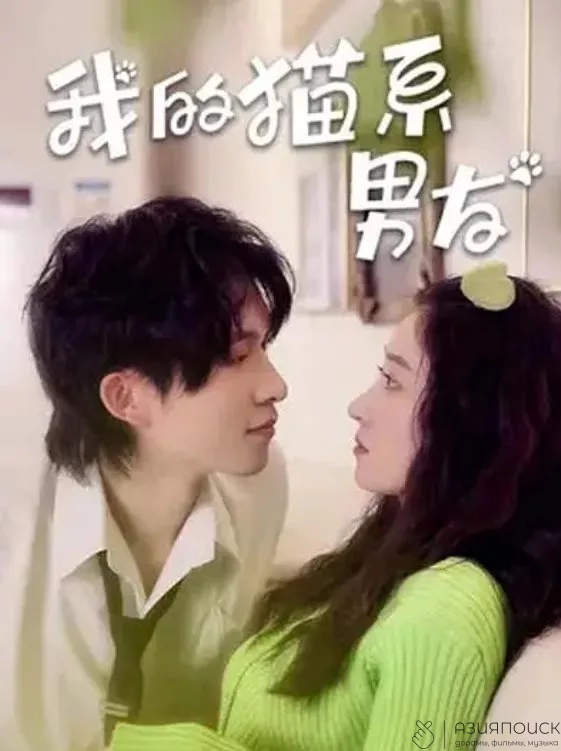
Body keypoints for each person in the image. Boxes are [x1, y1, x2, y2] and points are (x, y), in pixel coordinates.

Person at [110, 263, 561, 751]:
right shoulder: (385, 560)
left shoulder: (449, 607)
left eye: (392, 380)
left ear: (472, 420)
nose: (359, 406)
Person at [0, 196, 294, 751]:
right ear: (126, 397)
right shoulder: (14, 523)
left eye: (265, 348)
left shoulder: (258, 483)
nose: (276, 385)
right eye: (238, 355)